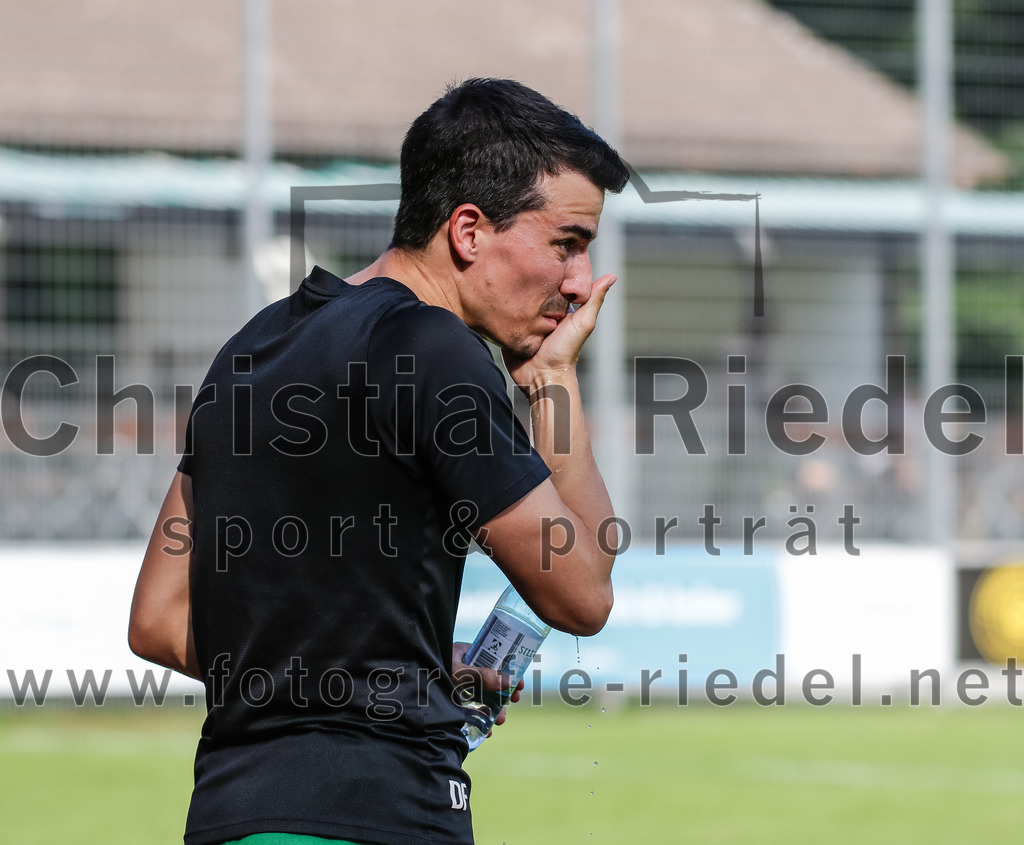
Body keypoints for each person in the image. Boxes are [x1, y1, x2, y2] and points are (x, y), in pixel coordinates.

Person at [129, 77, 629, 845]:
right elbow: (582, 590)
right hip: (381, 812)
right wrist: (553, 381)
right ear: (468, 230)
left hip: (232, 815)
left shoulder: (252, 348)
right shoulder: (435, 351)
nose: (577, 281)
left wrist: (390, 669)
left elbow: (160, 622)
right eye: (566, 242)